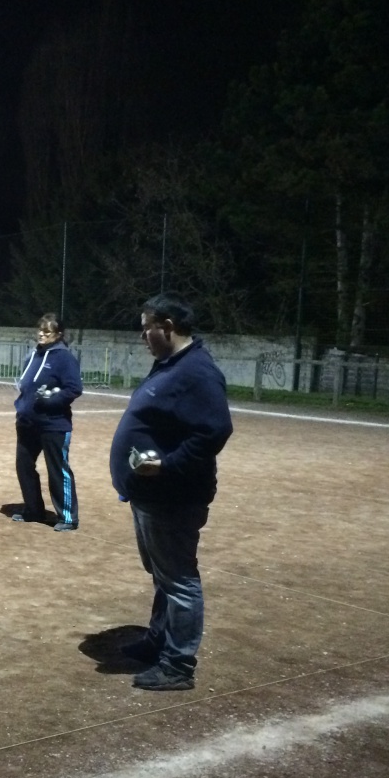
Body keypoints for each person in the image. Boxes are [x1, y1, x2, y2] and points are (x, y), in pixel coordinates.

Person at [109, 293, 233, 691]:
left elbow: (215, 430)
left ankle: (178, 665)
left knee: (178, 579)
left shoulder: (197, 371)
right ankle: (158, 640)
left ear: (167, 327)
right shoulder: (170, 365)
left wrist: (168, 465)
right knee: (164, 576)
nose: (142, 335)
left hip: (173, 497)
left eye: (146, 327)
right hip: (151, 495)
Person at [12, 313, 84, 531]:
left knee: (57, 469)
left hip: (54, 424)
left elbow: (74, 388)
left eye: (47, 332)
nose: (41, 335)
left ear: (58, 334)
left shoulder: (64, 358)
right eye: (40, 330)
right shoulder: (34, 355)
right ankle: (33, 510)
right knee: (24, 466)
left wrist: (51, 400)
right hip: (27, 423)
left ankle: (68, 517)